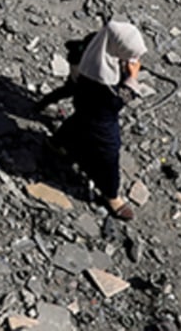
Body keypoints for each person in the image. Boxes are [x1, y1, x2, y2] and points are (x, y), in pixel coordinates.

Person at [50, 20, 146, 221]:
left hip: (84, 104)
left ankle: (56, 144)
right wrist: (133, 78)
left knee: (78, 123)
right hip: (101, 118)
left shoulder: (96, 51)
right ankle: (112, 195)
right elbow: (117, 101)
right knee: (109, 153)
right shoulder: (103, 79)